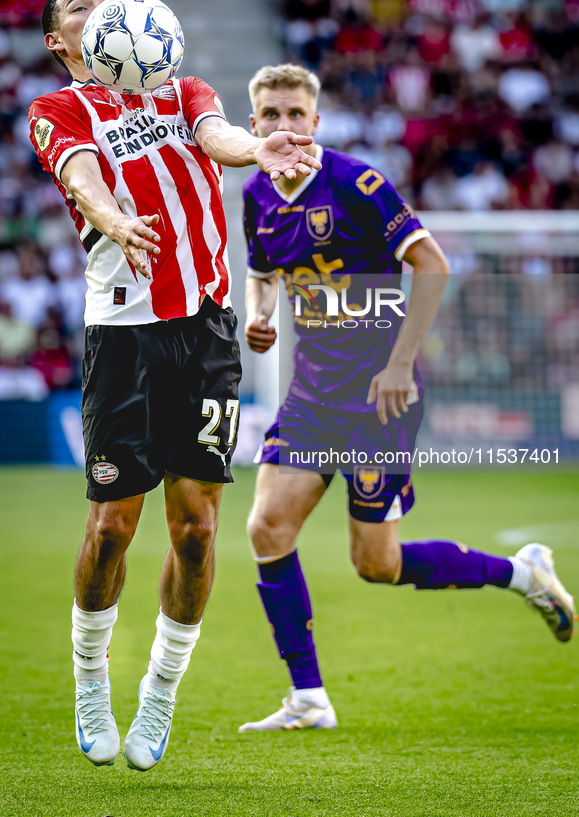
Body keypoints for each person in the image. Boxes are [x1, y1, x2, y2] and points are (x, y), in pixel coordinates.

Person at [29, 0, 322, 770]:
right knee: (112, 525)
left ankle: (159, 692)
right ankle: (92, 677)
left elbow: (218, 134)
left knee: (195, 529)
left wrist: (259, 147)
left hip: (203, 332)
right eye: (79, 7)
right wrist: (112, 216)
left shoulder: (182, 86)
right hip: (122, 337)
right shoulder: (58, 112)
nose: (102, 9)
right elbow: (84, 175)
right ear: (61, 43)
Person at [238, 64, 576, 732]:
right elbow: (260, 273)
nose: (283, 126)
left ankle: (522, 572)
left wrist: (398, 365)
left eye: (294, 114)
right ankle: (307, 695)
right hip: (311, 394)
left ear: (315, 122)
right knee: (266, 527)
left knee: (377, 563)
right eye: (270, 115)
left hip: (376, 399)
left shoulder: (358, 184)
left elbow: (432, 264)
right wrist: (259, 311)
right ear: (253, 126)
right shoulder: (254, 192)